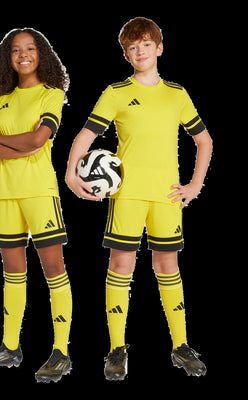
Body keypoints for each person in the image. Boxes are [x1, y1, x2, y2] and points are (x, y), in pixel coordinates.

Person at [66, 17, 212, 379]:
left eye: (146, 44)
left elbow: (204, 141)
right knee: (121, 266)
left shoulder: (176, 94)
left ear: (159, 48)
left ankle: (181, 346)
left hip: (166, 197)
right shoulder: (116, 93)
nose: (140, 51)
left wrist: (195, 185)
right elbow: (85, 135)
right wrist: (71, 173)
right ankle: (116, 350)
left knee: (168, 266)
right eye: (132, 47)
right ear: (126, 55)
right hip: (128, 196)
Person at [0, 28, 72, 383]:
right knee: (12, 271)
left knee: (53, 268)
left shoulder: (52, 94)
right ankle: (10, 347)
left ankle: (61, 351)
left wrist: (5, 142)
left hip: (39, 192)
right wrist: (21, 143)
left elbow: (39, 139)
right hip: (5, 194)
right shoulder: (2, 100)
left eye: (30, 48)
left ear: (41, 54)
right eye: (15, 50)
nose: (23, 54)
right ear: (7, 58)